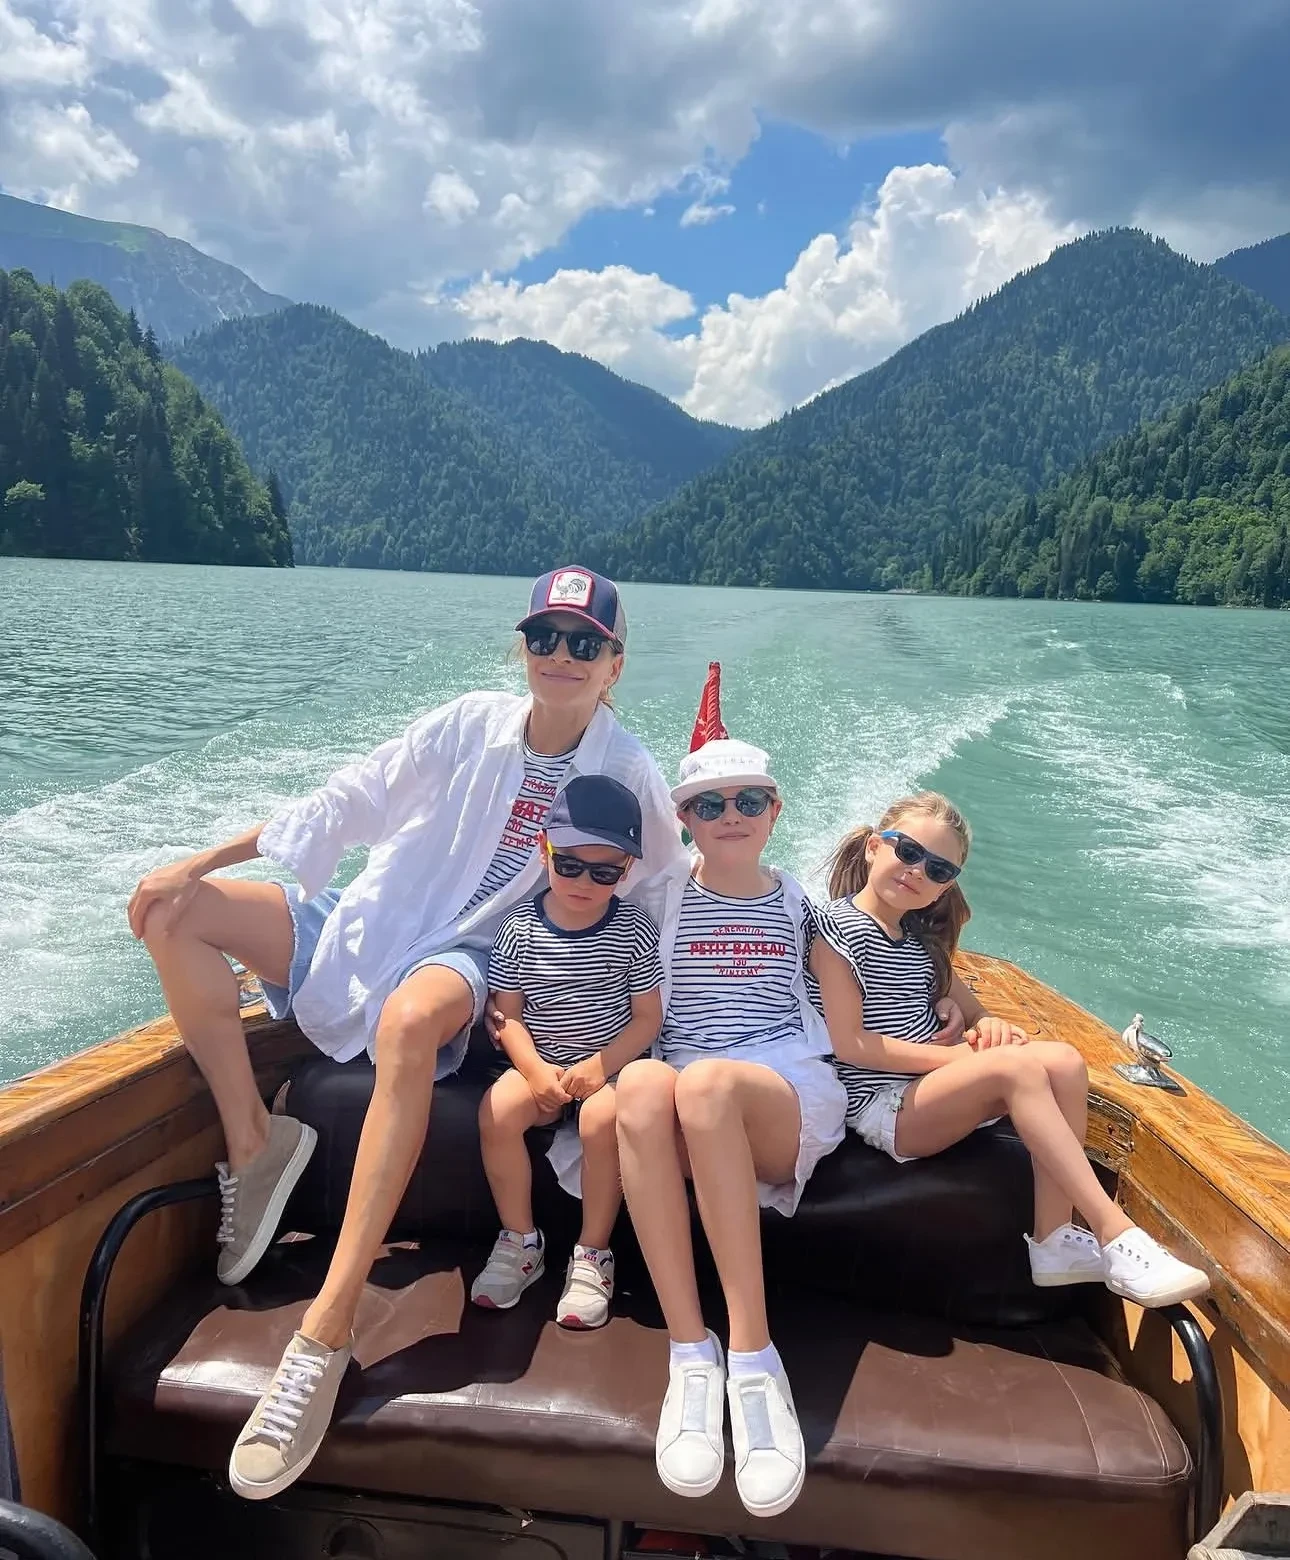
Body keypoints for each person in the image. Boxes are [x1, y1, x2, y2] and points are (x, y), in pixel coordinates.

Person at [125, 566, 689, 1501]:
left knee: (410, 1017)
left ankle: (327, 1326)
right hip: (375, 918)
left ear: (614, 665)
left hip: (475, 951)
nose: (561, 655)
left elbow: (664, 895)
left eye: (585, 644)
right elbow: (356, 797)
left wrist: (651, 1039)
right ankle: (255, 1145)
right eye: (545, 637)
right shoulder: (469, 723)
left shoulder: (626, 772)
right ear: (522, 647)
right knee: (171, 913)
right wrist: (201, 861)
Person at [810, 790, 1211, 1309]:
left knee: (1064, 1060)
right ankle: (1116, 1232)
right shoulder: (836, 931)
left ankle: (1054, 1240)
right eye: (907, 851)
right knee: (1015, 1071)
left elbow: (977, 1012)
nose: (917, 871)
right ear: (873, 847)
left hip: (929, 1089)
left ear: (945, 885)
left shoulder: (917, 942)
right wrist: (962, 1058)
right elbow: (850, 1045)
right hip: (883, 1107)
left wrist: (988, 1024)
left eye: (937, 869)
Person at [614, 738, 848, 1522]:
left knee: (707, 1083)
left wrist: (966, 1010)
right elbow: (571, 930)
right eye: (709, 804)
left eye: (749, 801)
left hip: (781, 1087)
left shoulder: (802, 906)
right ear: (684, 819)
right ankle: (691, 1351)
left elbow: (887, 959)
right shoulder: (656, 899)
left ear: (775, 812)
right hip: (686, 1089)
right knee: (642, 1083)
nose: (731, 816)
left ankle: (753, 1356)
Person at [470, 774, 664, 1329]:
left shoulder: (634, 928)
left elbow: (647, 1019)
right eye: (570, 864)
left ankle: (593, 1253)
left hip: (611, 1068)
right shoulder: (518, 928)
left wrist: (600, 1068)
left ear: (627, 870)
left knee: (603, 1120)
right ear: (544, 851)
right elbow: (508, 1017)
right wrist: (534, 1072)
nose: (584, 881)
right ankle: (520, 1240)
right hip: (543, 1063)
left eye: (604, 872)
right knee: (496, 1111)